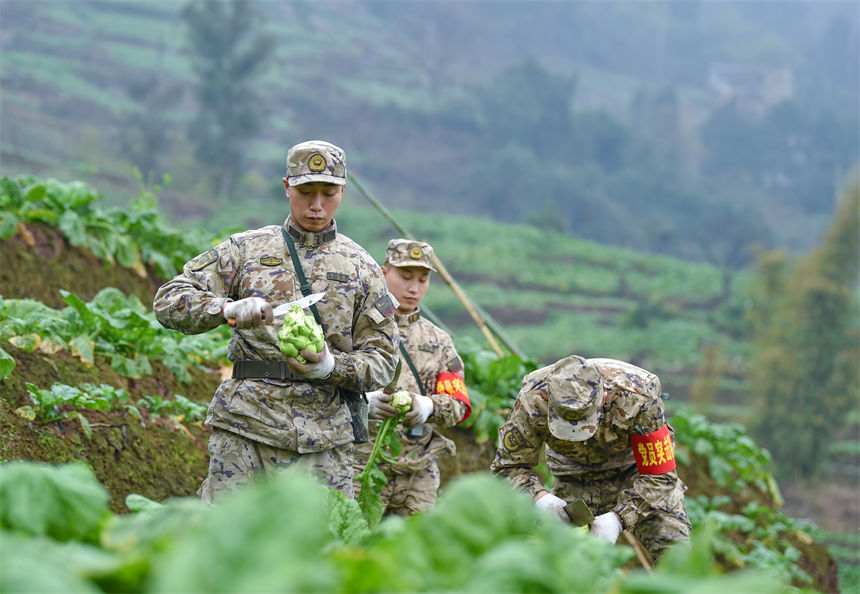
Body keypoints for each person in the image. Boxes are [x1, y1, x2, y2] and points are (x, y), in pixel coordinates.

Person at [153, 140, 399, 502]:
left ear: (342, 192)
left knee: (318, 548)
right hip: (246, 426)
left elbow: (383, 361)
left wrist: (330, 367)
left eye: (328, 193)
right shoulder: (246, 250)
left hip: (324, 440)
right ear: (287, 187)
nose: (316, 205)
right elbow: (169, 300)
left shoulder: (362, 268)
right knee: (226, 541)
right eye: (305, 192)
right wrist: (225, 309)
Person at [490, 354, 691, 562]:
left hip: (636, 475)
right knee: (561, 565)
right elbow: (508, 467)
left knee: (677, 559)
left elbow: (660, 474)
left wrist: (618, 519)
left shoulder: (639, 394)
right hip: (573, 477)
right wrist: (540, 498)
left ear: (602, 397)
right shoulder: (532, 398)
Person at [353, 239, 471, 515]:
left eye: (422, 279)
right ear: (384, 273)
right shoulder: (356, 327)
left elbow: (459, 403)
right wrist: (362, 403)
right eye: (405, 277)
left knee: (413, 550)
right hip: (361, 462)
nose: (414, 288)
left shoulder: (438, 340)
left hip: (418, 471)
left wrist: (427, 407)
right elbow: (325, 385)